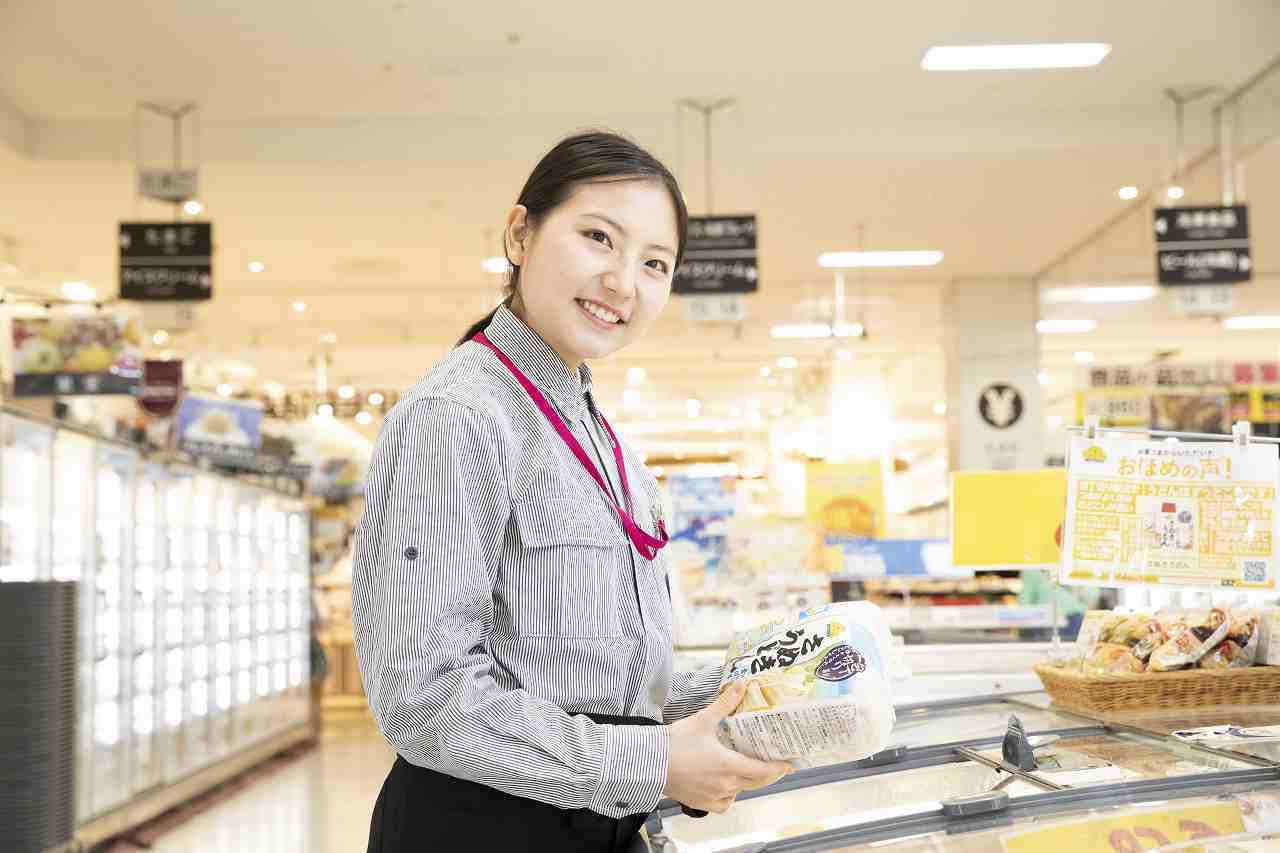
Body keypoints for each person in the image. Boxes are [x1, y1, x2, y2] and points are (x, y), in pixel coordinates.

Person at [352, 131, 791, 853]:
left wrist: (747, 693)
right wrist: (655, 761)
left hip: (597, 823)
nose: (624, 282)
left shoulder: (598, 435)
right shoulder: (457, 416)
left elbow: (595, 680)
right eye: (599, 238)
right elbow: (422, 696)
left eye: (655, 263)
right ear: (519, 234)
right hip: (482, 831)